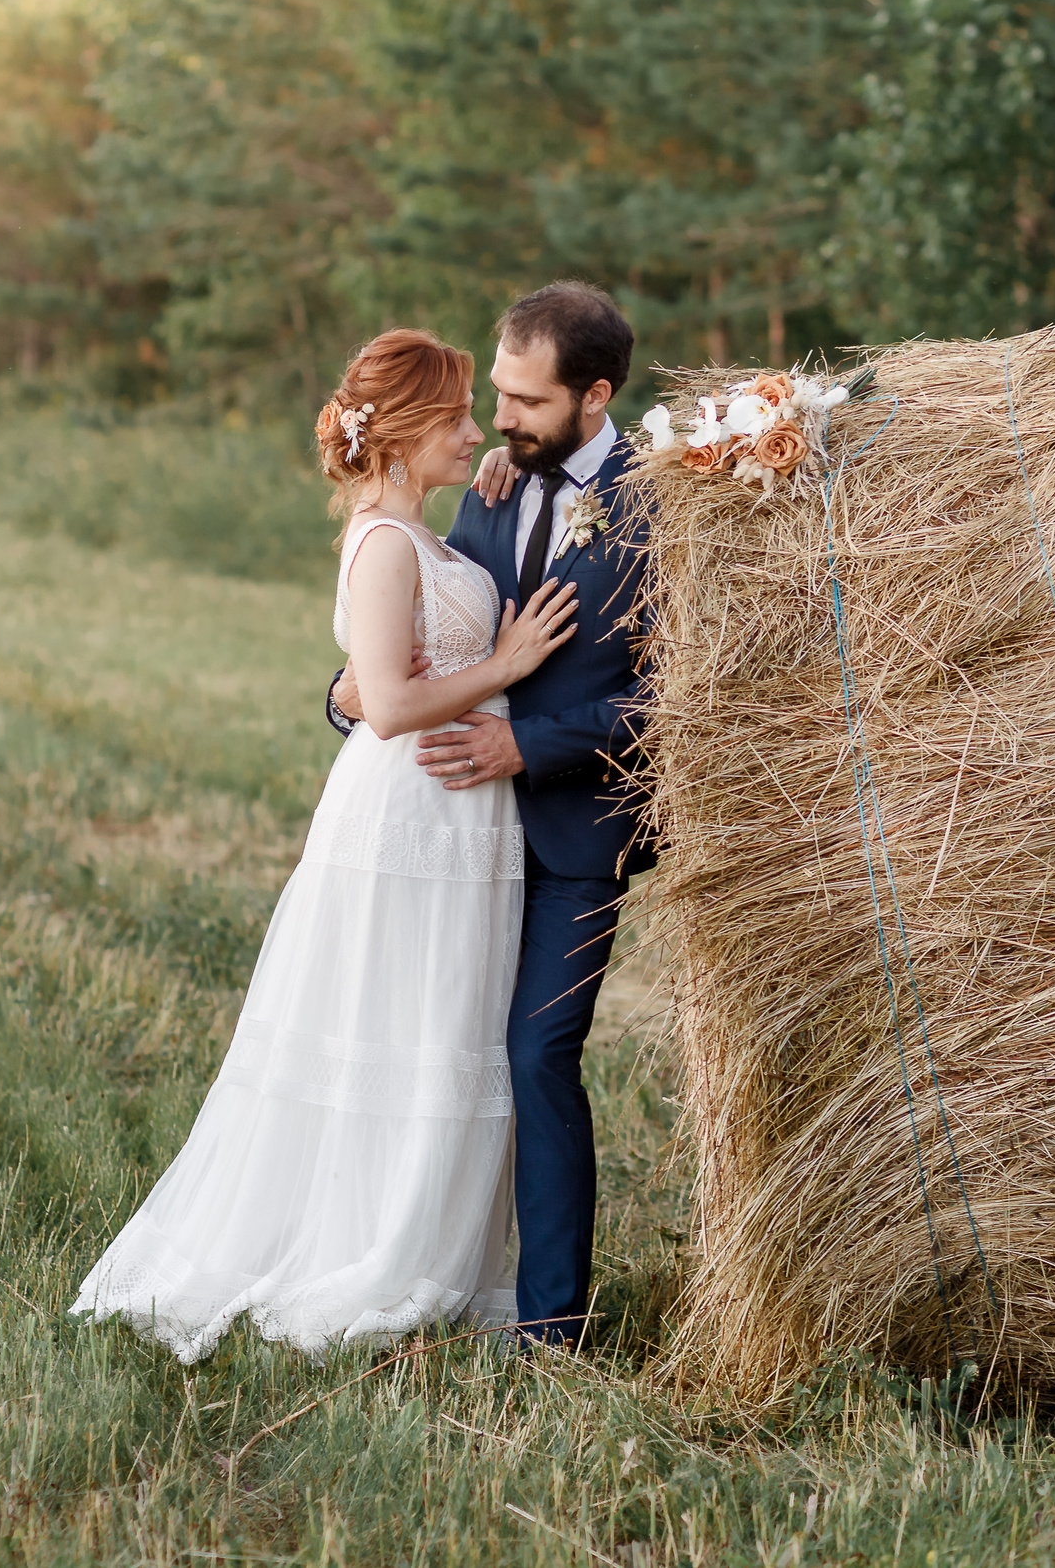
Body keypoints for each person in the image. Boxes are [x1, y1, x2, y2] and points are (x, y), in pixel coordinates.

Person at [72, 327, 581, 1363]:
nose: (473, 429)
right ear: (395, 435)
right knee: (394, 1019)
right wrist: (509, 659)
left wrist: (482, 507)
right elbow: (387, 704)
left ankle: (429, 1244)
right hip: (408, 814)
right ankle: (371, 1248)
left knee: (443, 1023)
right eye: (454, 419)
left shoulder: (429, 535)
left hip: (460, 817)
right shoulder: (383, 544)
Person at [331, 282, 652, 1350]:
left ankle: (551, 1321)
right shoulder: (493, 486)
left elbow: (681, 695)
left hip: (576, 836)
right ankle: (420, 1268)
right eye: (495, 393)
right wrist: (347, 693)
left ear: (595, 392)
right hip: (455, 835)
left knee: (534, 1054)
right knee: (435, 1047)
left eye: (524, 398)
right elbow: (431, 631)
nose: (500, 418)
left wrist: (529, 742)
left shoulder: (666, 505)